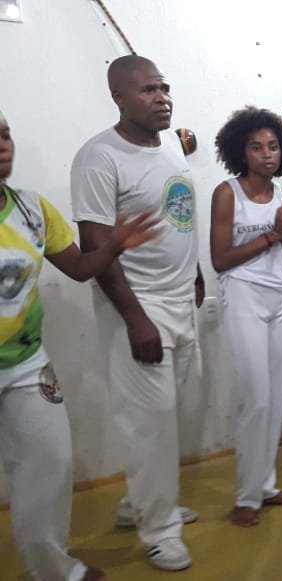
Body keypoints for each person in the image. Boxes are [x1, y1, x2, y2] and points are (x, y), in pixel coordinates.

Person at [0, 109, 159, 581]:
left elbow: (78, 268)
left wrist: (113, 246)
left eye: (5, 134)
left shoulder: (31, 210)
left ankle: (55, 571)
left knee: (50, 463)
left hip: (26, 364)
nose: (2, 145)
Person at [71, 55, 204, 571]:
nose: (162, 97)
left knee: (167, 414)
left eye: (164, 87)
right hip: (139, 306)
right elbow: (95, 244)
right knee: (150, 423)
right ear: (118, 98)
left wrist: (196, 272)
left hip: (180, 300)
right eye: (148, 90)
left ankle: (141, 502)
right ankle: (160, 531)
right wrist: (134, 318)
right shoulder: (99, 158)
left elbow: (178, 215)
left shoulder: (170, 145)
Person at [210, 106, 282, 527]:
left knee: (274, 400)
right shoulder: (227, 193)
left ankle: (265, 486)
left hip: (279, 296)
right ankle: (246, 497)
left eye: (272, 146)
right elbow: (220, 260)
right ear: (242, 151)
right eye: (256, 147)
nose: (266, 154)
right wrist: (274, 231)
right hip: (243, 296)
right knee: (257, 399)